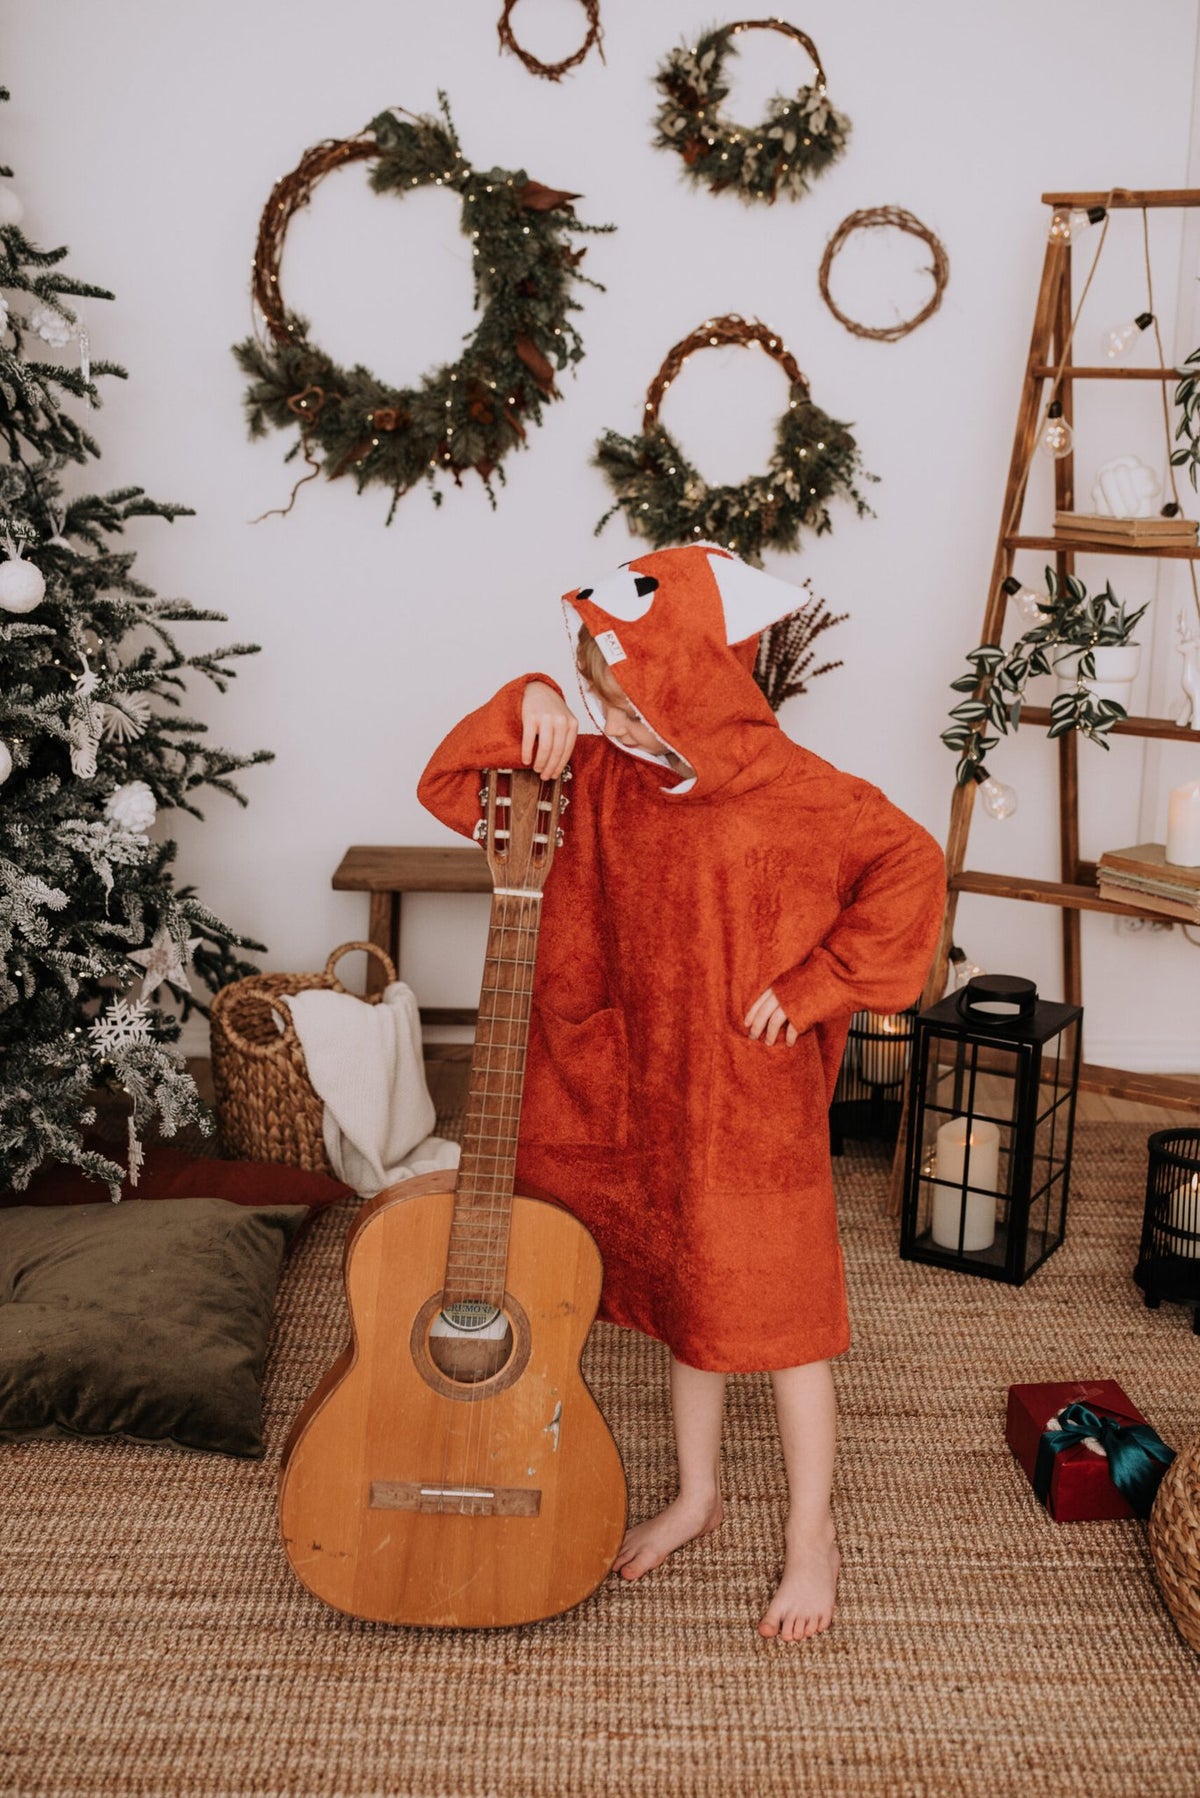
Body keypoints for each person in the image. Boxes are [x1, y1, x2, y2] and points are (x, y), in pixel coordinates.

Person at [418, 542, 946, 1640]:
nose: (614, 727)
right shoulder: (603, 778)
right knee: (680, 1294)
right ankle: (698, 1495)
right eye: (603, 701)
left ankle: (814, 1535)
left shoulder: (803, 794)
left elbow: (910, 863)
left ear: (696, 683)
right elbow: (459, 785)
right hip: (639, 1086)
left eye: (632, 703)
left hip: (750, 1105)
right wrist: (532, 704)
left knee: (785, 1317)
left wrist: (817, 983)